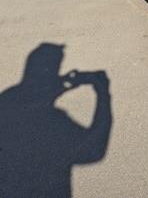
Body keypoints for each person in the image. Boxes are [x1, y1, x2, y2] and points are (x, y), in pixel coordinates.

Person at [0, 43, 112, 198]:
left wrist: (61, 85)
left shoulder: (7, 99)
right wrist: (103, 94)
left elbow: (30, 99)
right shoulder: (54, 121)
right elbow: (94, 151)